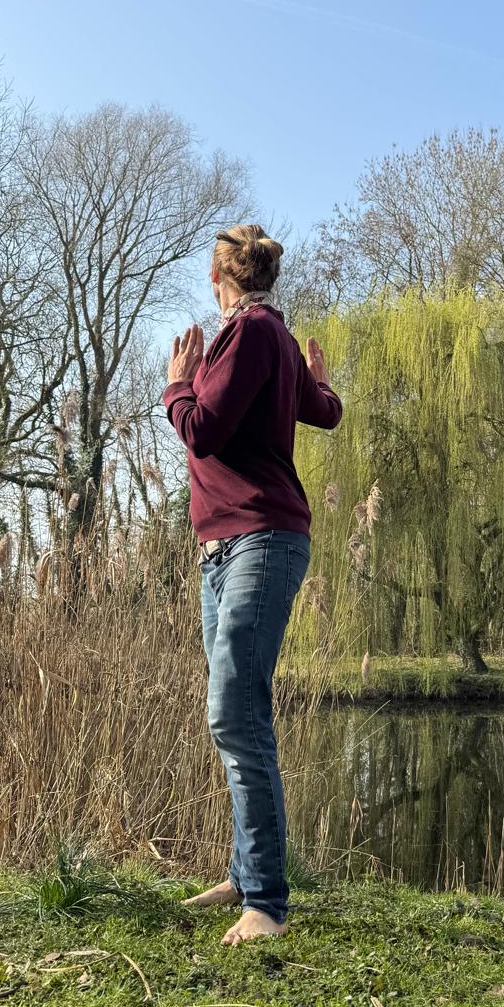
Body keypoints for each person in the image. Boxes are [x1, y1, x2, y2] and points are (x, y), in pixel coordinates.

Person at [162, 223, 342, 946]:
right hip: (223, 548)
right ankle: (245, 874)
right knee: (235, 709)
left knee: (236, 711)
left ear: (220, 279)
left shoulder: (253, 334)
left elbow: (202, 430)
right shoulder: (272, 338)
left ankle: (266, 900)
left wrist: (177, 384)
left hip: (257, 542)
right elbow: (322, 412)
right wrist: (319, 381)